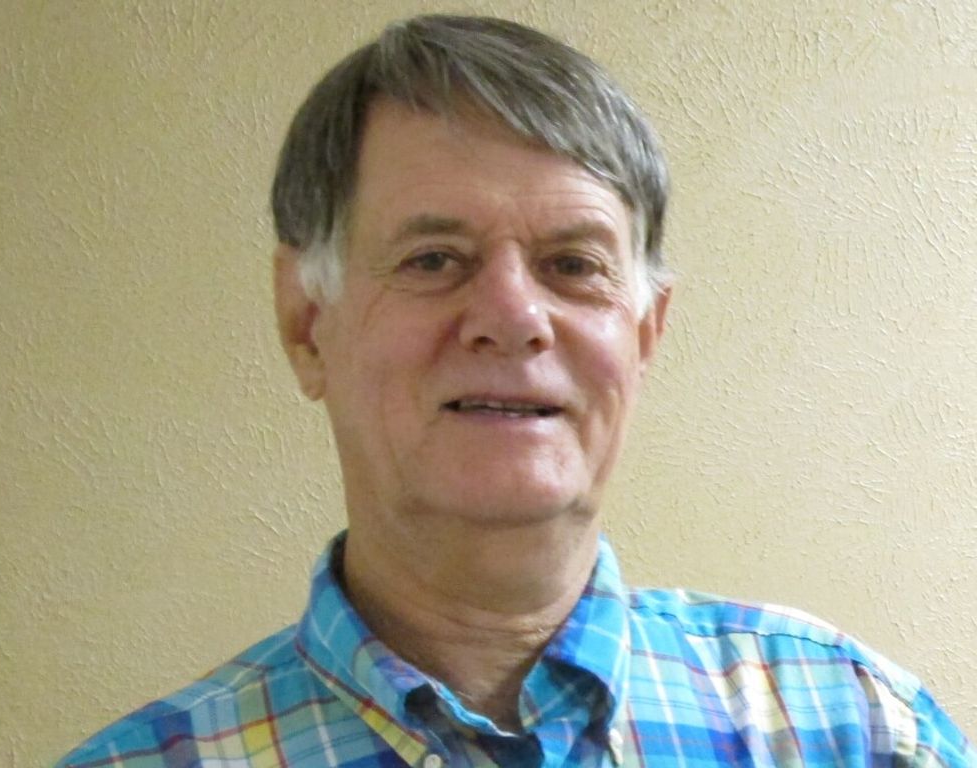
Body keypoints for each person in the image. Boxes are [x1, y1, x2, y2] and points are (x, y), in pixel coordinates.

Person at [58, 14, 974, 768]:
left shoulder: (854, 731)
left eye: (573, 265)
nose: (512, 317)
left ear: (645, 333)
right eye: (433, 259)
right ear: (306, 325)